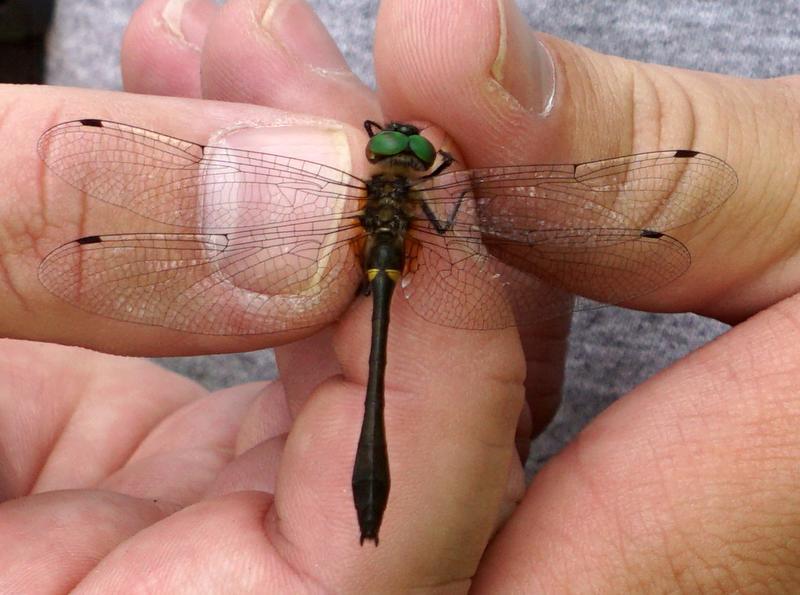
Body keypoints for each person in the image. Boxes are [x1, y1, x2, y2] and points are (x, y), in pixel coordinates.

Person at [2, 0, 799, 591]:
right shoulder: (432, 198)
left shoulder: (389, 198)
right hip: (185, 451)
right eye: (395, 142)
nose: (400, 141)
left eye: (404, 143)